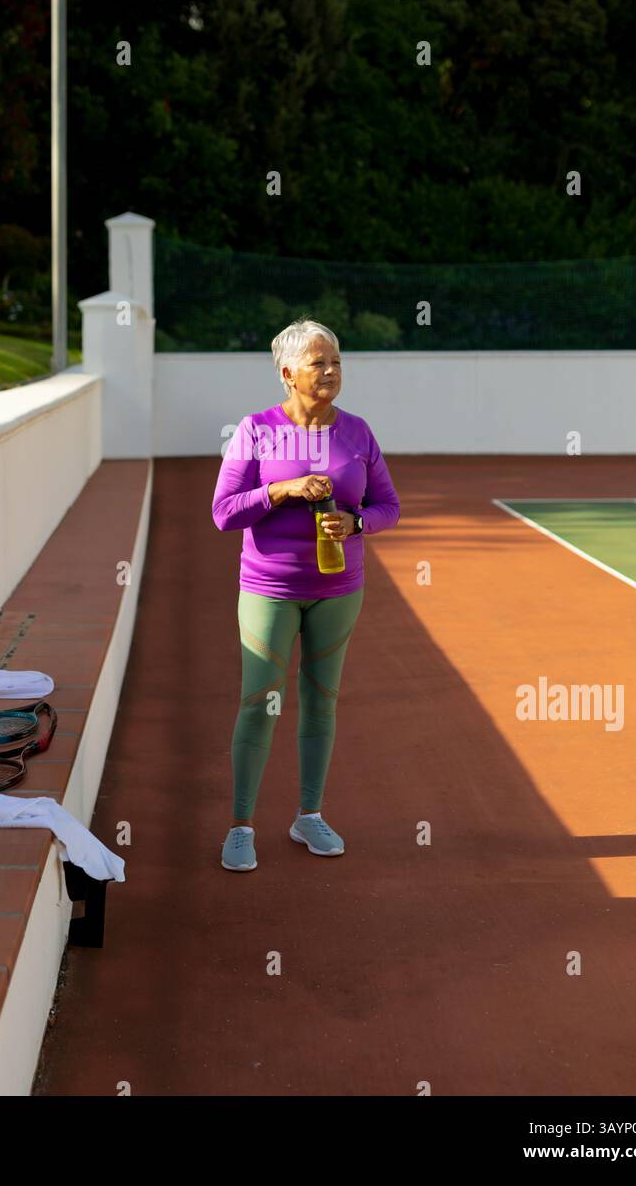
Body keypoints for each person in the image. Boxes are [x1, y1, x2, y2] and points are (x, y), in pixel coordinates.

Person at [211, 318, 400, 871]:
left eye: (337, 362)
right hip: (269, 587)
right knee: (259, 704)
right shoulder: (256, 430)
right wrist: (281, 490)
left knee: (322, 703)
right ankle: (242, 825)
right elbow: (223, 512)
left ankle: (309, 816)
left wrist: (356, 523)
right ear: (288, 372)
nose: (332, 371)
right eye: (320, 363)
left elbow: (389, 506)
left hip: (339, 589)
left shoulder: (358, 432)